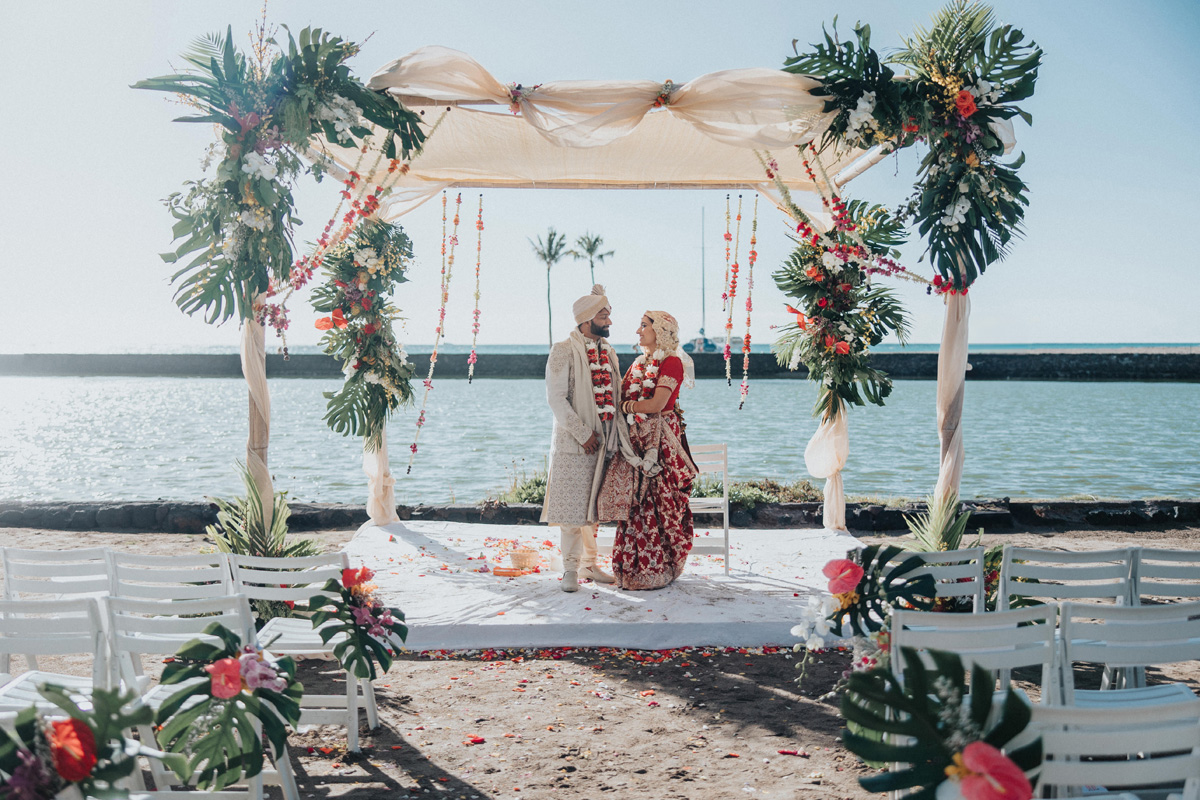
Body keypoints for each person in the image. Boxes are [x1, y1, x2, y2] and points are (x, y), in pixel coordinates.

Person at [541, 284, 623, 592]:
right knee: (572, 512)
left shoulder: (609, 352)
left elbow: (614, 394)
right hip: (573, 444)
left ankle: (590, 565)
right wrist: (582, 433)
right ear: (587, 319)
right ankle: (570, 569)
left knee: (593, 510)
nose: (610, 322)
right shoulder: (562, 349)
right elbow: (556, 399)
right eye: (604, 315)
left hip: (603, 443)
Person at [611, 311, 698, 591]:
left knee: (660, 501)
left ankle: (659, 568)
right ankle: (633, 570)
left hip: (662, 441)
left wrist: (625, 408)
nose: (638, 331)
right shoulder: (638, 363)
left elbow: (656, 404)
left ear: (660, 330)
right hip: (637, 440)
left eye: (644, 326)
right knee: (637, 503)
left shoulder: (672, 362)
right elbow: (622, 394)